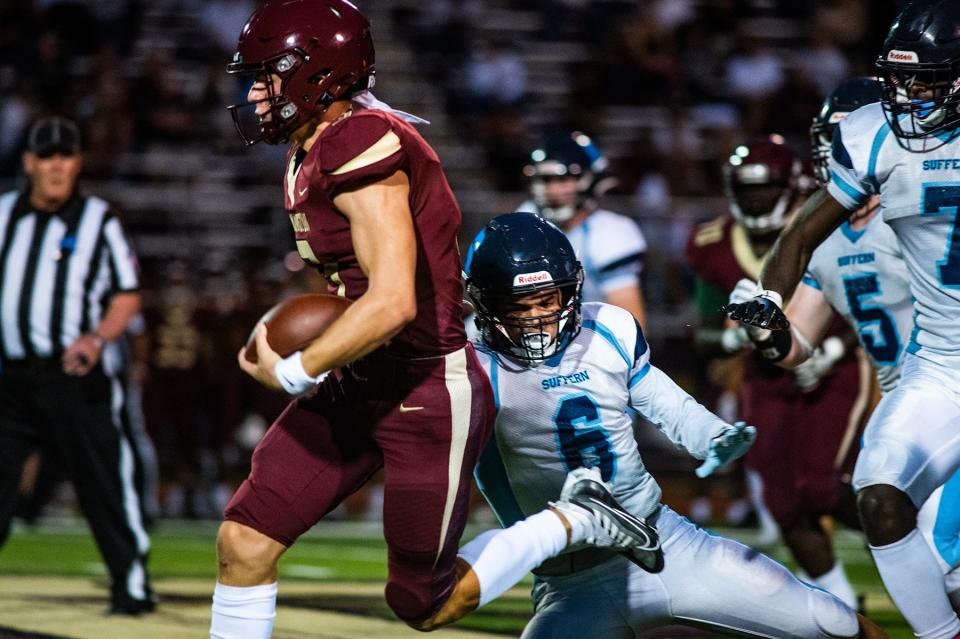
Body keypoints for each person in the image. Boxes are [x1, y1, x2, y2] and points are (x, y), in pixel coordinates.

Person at [212, 2, 656, 637]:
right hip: (362, 378)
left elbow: (394, 301)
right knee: (245, 543)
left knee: (421, 603)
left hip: (426, 390)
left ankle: (577, 518)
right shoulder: (313, 142)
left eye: (269, 74)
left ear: (317, 73)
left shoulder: (358, 139)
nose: (256, 91)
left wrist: (294, 368)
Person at [464, 211, 887, 638]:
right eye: (519, 307)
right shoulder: (467, 367)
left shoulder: (606, 328)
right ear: (485, 306)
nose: (537, 318)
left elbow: (668, 404)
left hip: (665, 543)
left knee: (834, 624)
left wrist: (711, 434)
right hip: (568, 582)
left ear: (570, 290)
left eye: (547, 300)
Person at [726, 1, 960, 634]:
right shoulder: (875, 137)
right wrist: (768, 312)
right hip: (939, 369)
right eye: (901, 80)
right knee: (879, 498)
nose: (910, 97)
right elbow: (799, 238)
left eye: (928, 81)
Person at [687, 135, 869, 609]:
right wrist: (730, 338)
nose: (755, 200)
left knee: (824, 487)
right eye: (747, 191)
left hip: (832, 368)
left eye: (765, 189)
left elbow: (865, 296)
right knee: (783, 502)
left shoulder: (823, 223)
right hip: (764, 378)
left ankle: (914, 541)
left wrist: (830, 348)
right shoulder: (715, 243)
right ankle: (842, 602)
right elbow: (701, 330)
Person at [0, 116, 152, 614]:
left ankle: (130, 583)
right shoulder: (2, 216)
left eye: (66, 156)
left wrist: (97, 339)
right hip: (12, 380)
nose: (57, 166)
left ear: (78, 162)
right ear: (29, 164)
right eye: (47, 156)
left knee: (104, 482)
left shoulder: (97, 220)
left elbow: (127, 296)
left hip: (76, 376)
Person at [517, 132, 646, 324]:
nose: (553, 191)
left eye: (563, 180)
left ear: (590, 180)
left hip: (589, 344)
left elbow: (628, 325)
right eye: (546, 180)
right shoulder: (524, 221)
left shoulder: (609, 233)